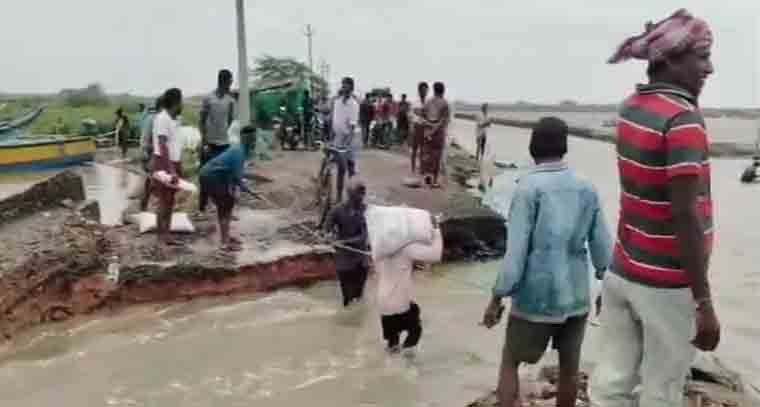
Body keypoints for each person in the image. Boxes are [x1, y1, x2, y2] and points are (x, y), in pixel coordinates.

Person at [590, 9, 720, 407]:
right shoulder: (683, 120)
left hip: (623, 271)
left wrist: (613, 270)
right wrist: (703, 302)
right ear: (671, 59)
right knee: (662, 392)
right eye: (702, 57)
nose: (709, 68)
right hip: (667, 285)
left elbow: (634, 198)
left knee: (611, 386)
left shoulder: (631, 107)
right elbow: (684, 215)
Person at [482, 117, 613, 407]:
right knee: (569, 369)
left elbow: (516, 254)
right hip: (576, 297)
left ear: (533, 147)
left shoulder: (528, 189)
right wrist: (606, 286)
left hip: (536, 298)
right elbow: (603, 247)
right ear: (564, 147)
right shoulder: (586, 187)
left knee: (510, 360)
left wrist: (497, 296)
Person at [376, 213, 443, 356]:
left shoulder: (380, 246)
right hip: (399, 302)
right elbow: (436, 255)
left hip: (383, 302)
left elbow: (396, 264)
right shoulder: (406, 248)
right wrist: (436, 230)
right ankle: (407, 362)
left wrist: (410, 263)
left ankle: (390, 363)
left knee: (392, 340)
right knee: (415, 331)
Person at [323, 179, 370, 307]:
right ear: (349, 194)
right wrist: (328, 236)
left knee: (358, 296)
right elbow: (327, 228)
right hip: (344, 260)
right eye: (358, 194)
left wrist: (342, 242)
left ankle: (357, 317)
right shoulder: (337, 210)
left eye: (362, 194)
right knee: (347, 298)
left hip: (361, 259)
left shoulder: (366, 211)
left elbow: (364, 237)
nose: (361, 198)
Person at [198, 145, 252, 252]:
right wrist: (245, 188)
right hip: (212, 177)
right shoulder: (239, 154)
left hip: (207, 175)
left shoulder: (235, 151)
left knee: (226, 204)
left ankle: (226, 237)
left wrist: (237, 189)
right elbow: (237, 176)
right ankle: (224, 243)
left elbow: (232, 175)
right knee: (225, 207)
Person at [198, 69, 235, 218]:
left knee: (225, 178)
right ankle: (202, 209)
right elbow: (201, 121)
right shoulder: (208, 98)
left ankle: (224, 209)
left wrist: (224, 134)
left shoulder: (230, 100)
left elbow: (230, 120)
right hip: (209, 144)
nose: (231, 84)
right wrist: (204, 141)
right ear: (223, 81)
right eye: (230, 81)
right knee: (205, 176)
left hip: (224, 145)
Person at [152, 88, 184, 255]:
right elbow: (162, 145)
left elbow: (174, 144)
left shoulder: (173, 120)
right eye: (181, 101)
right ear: (176, 102)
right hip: (164, 163)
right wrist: (171, 169)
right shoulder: (162, 119)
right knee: (164, 200)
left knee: (170, 200)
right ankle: (159, 238)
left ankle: (167, 234)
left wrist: (179, 166)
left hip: (173, 162)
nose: (182, 105)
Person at [331, 77, 361, 202]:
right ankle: (338, 197)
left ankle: (352, 199)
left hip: (350, 139)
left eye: (347, 86)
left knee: (350, 169)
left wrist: (346, 145)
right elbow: (334, 120)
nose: (344, 88)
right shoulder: (337, 102)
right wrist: (332, 138)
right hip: (338, 137)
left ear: (351, 89)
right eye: (343, 85)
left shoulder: (354, 105)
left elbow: (352, 128)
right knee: (340, 170)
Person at [421, 82, 450, 188]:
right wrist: (435, 128)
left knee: (427, 154)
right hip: (438, 133)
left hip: (427, 132)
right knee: (437, 156)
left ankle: (427, 176)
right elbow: (444, 121)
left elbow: (422, 116)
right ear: (443, 91)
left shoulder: (428, 102)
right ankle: (434, 180)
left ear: (434, 90)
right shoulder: (445, 103)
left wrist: (429, 127)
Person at [139, 97, 162, 211]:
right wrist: (145, 152)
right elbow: (145, 137)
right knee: (153, 181)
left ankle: (146, 205)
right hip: (152, 153)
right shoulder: (152, 118)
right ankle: (147, 205)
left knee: (152, 181)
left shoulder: (158, 118)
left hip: (157, 154)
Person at [410, 82, 429, 175]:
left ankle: (422, 168)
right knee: (414, 149)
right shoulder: (415, 101)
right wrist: (423, 112)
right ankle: (413, 167)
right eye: (423, 90)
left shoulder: (428, 102)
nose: (424, 92)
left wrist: (422, 112)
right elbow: (416, 112)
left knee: (423, 149)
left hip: (425, 127)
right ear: (419, 90)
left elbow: (425, 113)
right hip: (416, 126)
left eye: (426, 90)